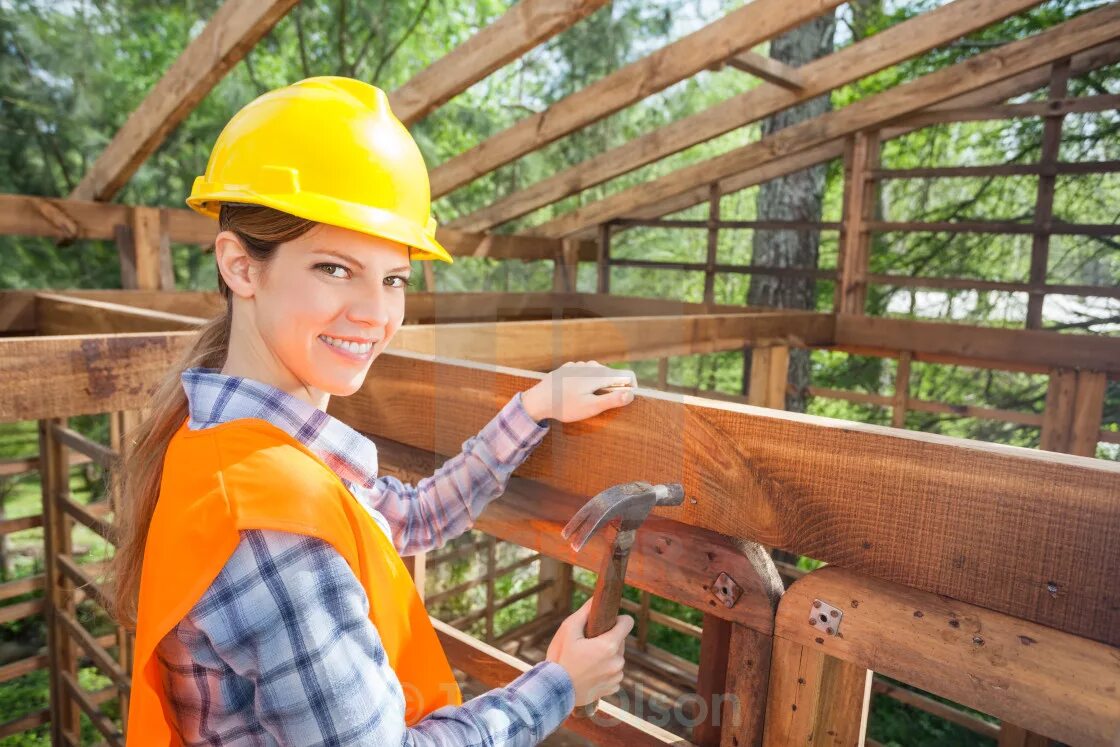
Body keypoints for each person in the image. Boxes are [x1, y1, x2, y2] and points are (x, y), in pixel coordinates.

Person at [109, 76, 638, 745]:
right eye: (335, 268)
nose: (376, 313)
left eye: (393, 278)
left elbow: (406, 515)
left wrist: (531, 409)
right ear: (241, 267)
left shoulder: (237, 445)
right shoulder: (269, 519)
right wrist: (559, 682)